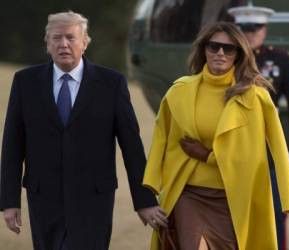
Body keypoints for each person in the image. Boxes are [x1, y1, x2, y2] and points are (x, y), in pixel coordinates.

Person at [0, 11, 167, 250]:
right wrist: (9, 201)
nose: (64, 44)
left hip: (94, 200)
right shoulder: (25, 82)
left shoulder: (111, 84)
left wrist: (144, 201)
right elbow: (12, 145)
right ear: (47, 43)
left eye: (71, 37)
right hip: (44, 199)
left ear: (85, 42)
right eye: (57, 38)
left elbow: (131, 146)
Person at [143, 22, 289, 250]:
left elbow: (276, 146)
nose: (220, 53)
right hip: (189, 193)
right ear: (203, 49)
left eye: (229, 48)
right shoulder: (179, 92)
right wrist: (148, 193)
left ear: (239, 54)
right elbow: (160, 141)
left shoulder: (256, 98)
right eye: (213, 46)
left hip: (235, 197)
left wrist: (287, 197)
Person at [228, 4, 289, 249]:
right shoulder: (226, 56)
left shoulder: (280, 59)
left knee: (275, 213)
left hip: (269, 149)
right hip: (232, 148)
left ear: (265, 29)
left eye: (255, 28)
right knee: (232, 214)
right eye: (244, 28)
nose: (250, 34)